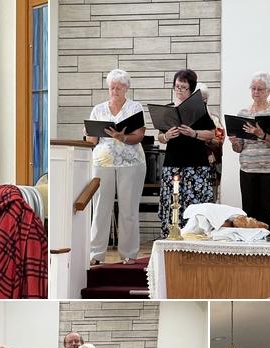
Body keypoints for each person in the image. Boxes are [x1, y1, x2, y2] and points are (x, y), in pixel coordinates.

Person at [85, 68, 146, 265]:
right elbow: (91, 139)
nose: (115, 90)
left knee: (128, 209)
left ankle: (128, 254)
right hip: (103, 163)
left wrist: (123, 137)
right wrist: (88, 133)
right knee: (101, 208)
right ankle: (95, 254)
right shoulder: (98, 109)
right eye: (112, 87)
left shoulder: (135, 108)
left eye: (119, 87)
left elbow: (139, 136)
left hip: (131, 163)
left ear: (126, 88)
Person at [157, 69, 216, 237]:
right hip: (173, 165)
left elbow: (212, 133)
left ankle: (194, 242)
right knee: (172, 206)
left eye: (183, 87)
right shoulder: (168, 110)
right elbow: (160, 137)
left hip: (195, 166)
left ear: (191, 89)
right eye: (177, 86)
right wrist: (166, 136)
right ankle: (170, 241)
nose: (179, 90)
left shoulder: (199, 109)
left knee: (194, 209)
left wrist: (194, 133)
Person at [229, 71, 270, 229]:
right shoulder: (243, 113)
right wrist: (234, 142)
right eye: (253, 88)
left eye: (260, 89)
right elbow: (239, 148)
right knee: (250, 212)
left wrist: (261, 134)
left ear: (268, 91)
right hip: (248, 168)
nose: (256, 92)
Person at [195, 83, 225, 202]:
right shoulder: (185, 118)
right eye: (199, 98)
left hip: (210, 167)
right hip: (189, 166)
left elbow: (219, 140)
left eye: (204, 98)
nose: (203, 101)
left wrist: (205, 138)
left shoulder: (214, 119)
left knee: (210, 203)